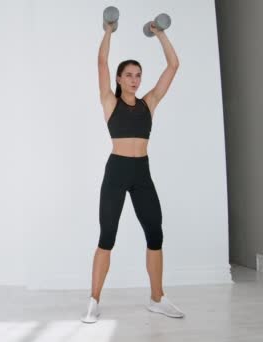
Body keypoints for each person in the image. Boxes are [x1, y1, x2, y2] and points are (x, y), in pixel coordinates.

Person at [81, 19, 184, 324]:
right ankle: (94, 301)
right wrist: (108, 32)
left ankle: (157, 298)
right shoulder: (109, 102)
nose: (135, 80)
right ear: (119, 78)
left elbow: (173, 65)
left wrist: (160, 33)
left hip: (142, 173)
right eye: (129, 75)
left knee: (155, 233)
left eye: (138, 75)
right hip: (117, 171)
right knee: (107, 236)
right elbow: (101, 61)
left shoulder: (149, 103)